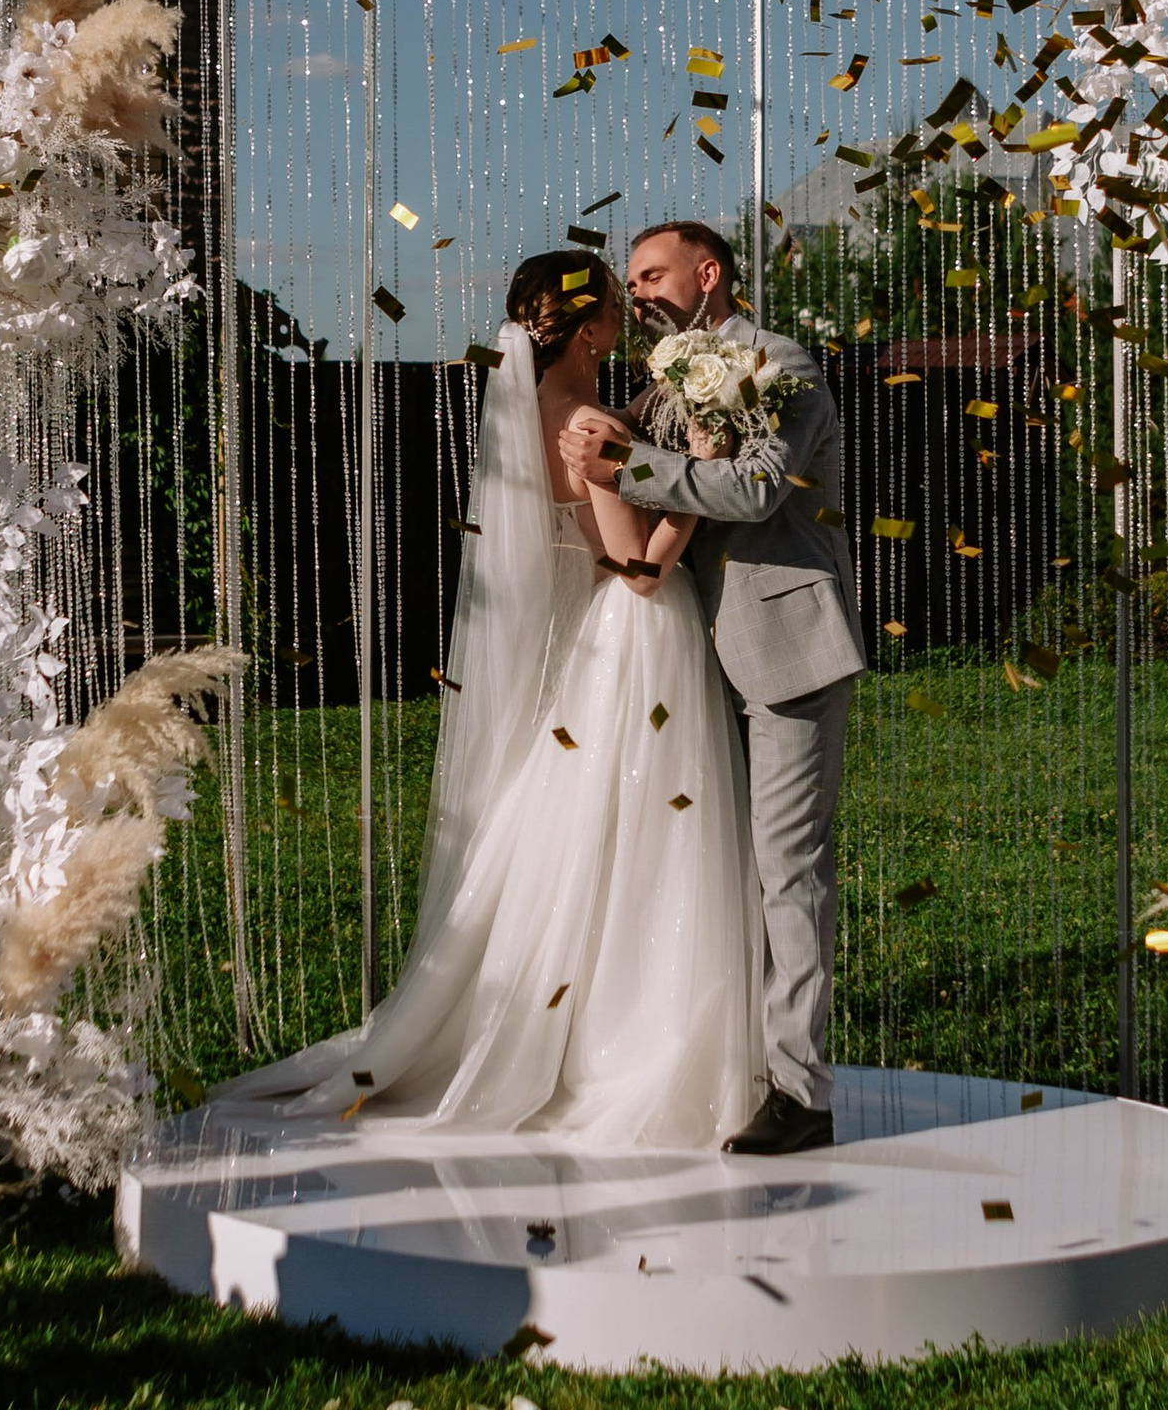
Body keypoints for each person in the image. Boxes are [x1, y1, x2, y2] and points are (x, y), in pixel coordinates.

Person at [221, 250, 760, 1148]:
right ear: (587, 329)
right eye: (612, 308)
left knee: (585, 825)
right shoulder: (587, 418)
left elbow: (594, 472)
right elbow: (633, 568)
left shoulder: (539, 409)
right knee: (647, 829)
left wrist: (645, 422)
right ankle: (634, 1036)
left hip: (589, 644)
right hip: (639, 637)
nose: (626, 317)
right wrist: (700, 478)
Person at [560, 220, 863, 1156]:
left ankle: (802, 1093)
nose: (639, 290)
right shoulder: (664, 383)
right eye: (632, 279)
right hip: (694, 657)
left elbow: (756, 490)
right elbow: (653, 484)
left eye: (652, 274)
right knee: (716, 867)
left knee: (788, 871)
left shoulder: (784, 365)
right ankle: (727, 1058)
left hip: (786, 646)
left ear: (709, 273)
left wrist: (629, 462)